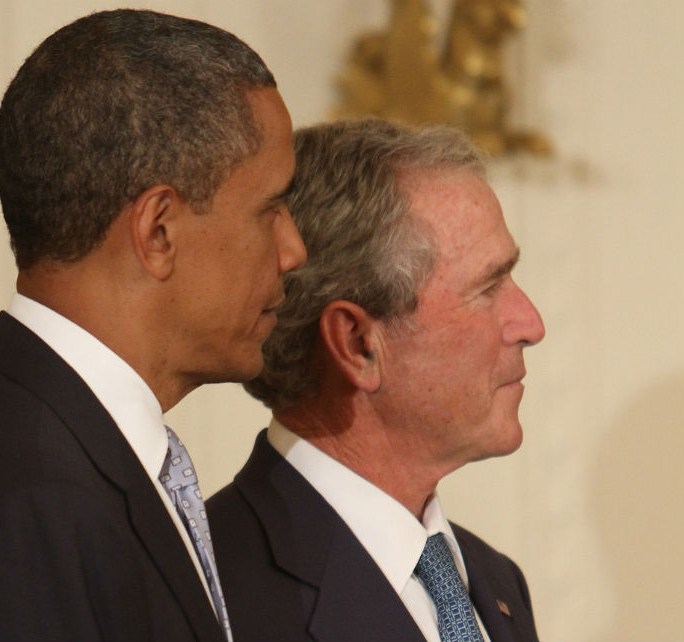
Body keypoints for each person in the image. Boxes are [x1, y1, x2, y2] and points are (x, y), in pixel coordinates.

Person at [0, 9, 305, 642]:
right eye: (269, 209)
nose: (293, 248)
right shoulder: (33, 510)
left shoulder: (16, 445)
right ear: (158, 230)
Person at [207, 119, 545, 642]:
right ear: (357, 343)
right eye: (488, 288)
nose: (531, 324)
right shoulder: (212, 594)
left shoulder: (495, 580)